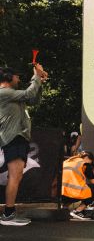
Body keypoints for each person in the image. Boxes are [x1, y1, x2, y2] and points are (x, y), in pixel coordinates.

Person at [0, 63, 47, 226]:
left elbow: (34, 99)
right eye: (17, 76)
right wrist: (36, 76)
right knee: (14, 176)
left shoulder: (12, 95)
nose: (19, 78)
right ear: (8, 78)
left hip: (18, 138)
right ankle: (8, 214)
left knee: (17, 175)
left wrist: (39, 81)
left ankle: (9, 212)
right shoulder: (5, 93)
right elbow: (29, 93)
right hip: (13, 137)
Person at [61, 151, 94, 219]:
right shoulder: (84, 164)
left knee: (75, 190)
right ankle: (78, 211)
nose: (90, 164)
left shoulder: (66, 162)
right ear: (86, 157)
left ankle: (64, 209)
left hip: (60, 195)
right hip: (73, 194)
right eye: (90, 162)